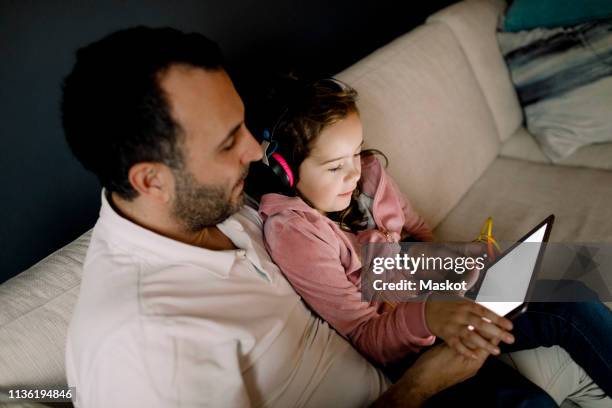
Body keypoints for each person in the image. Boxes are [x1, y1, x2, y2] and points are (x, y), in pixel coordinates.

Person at [60, 26, 601, 407]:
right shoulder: (144, 348)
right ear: (150, 179)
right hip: (405, 382)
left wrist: (448, 266)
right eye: (229, 142)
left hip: (403, 327)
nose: (257, 154)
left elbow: (370, 255)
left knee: (565, 275)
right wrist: (418, 388)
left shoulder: (216, 207)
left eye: (244, 127)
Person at [256, 78, 612, 400]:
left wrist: (458, 260)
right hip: (410, 345)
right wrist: (429, 317)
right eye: (335, 166)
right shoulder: (296, 233)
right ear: (285, 172)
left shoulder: (369, 175)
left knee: (573, 297)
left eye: (355, 153)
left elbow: (419, 232)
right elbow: (365, 334)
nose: (353, 172)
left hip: (446, 297)